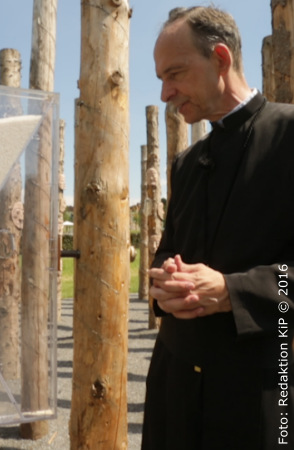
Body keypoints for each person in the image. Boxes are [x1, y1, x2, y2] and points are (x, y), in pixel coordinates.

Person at [142, 6, 294, 450]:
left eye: (176, 73)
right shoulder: (187, 163)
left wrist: (233, 291)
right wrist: (164, 283)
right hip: (174, 388)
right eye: (161, 79)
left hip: (261, 394)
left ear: (221, 60)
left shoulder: (289, 135)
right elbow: (166, 251)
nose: (167, 92)